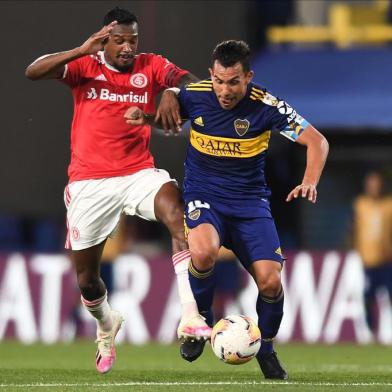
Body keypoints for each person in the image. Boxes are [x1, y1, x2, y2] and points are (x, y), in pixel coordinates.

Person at [125, 40, 329, 380]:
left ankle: (265, 347)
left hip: (250, 204)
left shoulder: (267, 106)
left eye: (233, 82)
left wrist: (309, 180)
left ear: (248, 77)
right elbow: (169, 120)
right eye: (219, 80)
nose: (224, 90)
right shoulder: (195, 94)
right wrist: (146, 118)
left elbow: (317, 141)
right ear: (211, 75)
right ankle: (200, 320)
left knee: (270, 282)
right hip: (205, 196)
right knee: (202, 253)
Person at [25, 7, 210, 374]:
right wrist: (80, 50)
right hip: (89, 182)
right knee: (88, 281)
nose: (127, 47)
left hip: (138, 173)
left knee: (177, 214)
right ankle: (107, 325)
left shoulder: (150, 65)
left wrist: (172, 89)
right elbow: (33, 71)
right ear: (105, 40)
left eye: (133, 40)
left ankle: (190, 315)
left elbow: (196, 83)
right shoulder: (85, 66)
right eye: (119, 40)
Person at [352, 171, 392, 333]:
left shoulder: (389, 205)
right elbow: (353, 229)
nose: (374, 187)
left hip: (388, 261)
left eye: (376, 184)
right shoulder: (360, 205)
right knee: (368, 297)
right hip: (368, 261)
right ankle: (371, 331)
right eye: (371, 184)